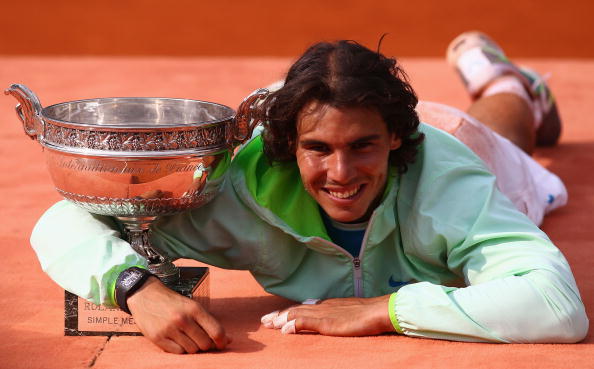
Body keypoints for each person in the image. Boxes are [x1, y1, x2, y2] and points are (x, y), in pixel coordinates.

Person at [30, 31, 588, 354]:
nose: (341, 172)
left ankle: (511, 84)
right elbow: (63, 219)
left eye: (363, 145)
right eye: (318, 148)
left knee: (504, 136)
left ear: (396, 137)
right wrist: (135, 286)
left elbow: (558, 309)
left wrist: (387, 310)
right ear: (288, 145)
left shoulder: (449, 185)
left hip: (462, 140)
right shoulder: (235, 189)